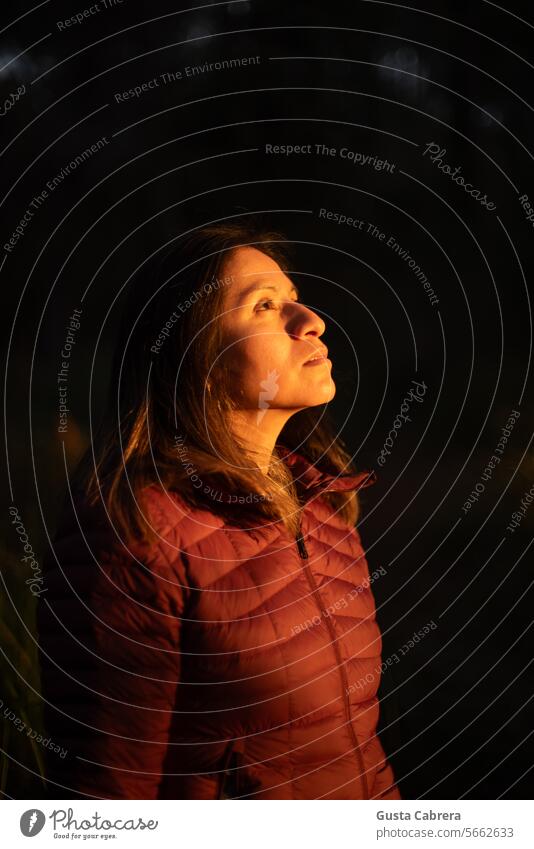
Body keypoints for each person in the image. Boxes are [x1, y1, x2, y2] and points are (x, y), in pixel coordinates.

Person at [37, 218, 401, 800]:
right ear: (195, 356)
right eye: (264, 305)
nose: (311, 322)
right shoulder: (135, 536)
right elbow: (106, 795)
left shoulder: (324, 511)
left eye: (295, 301)